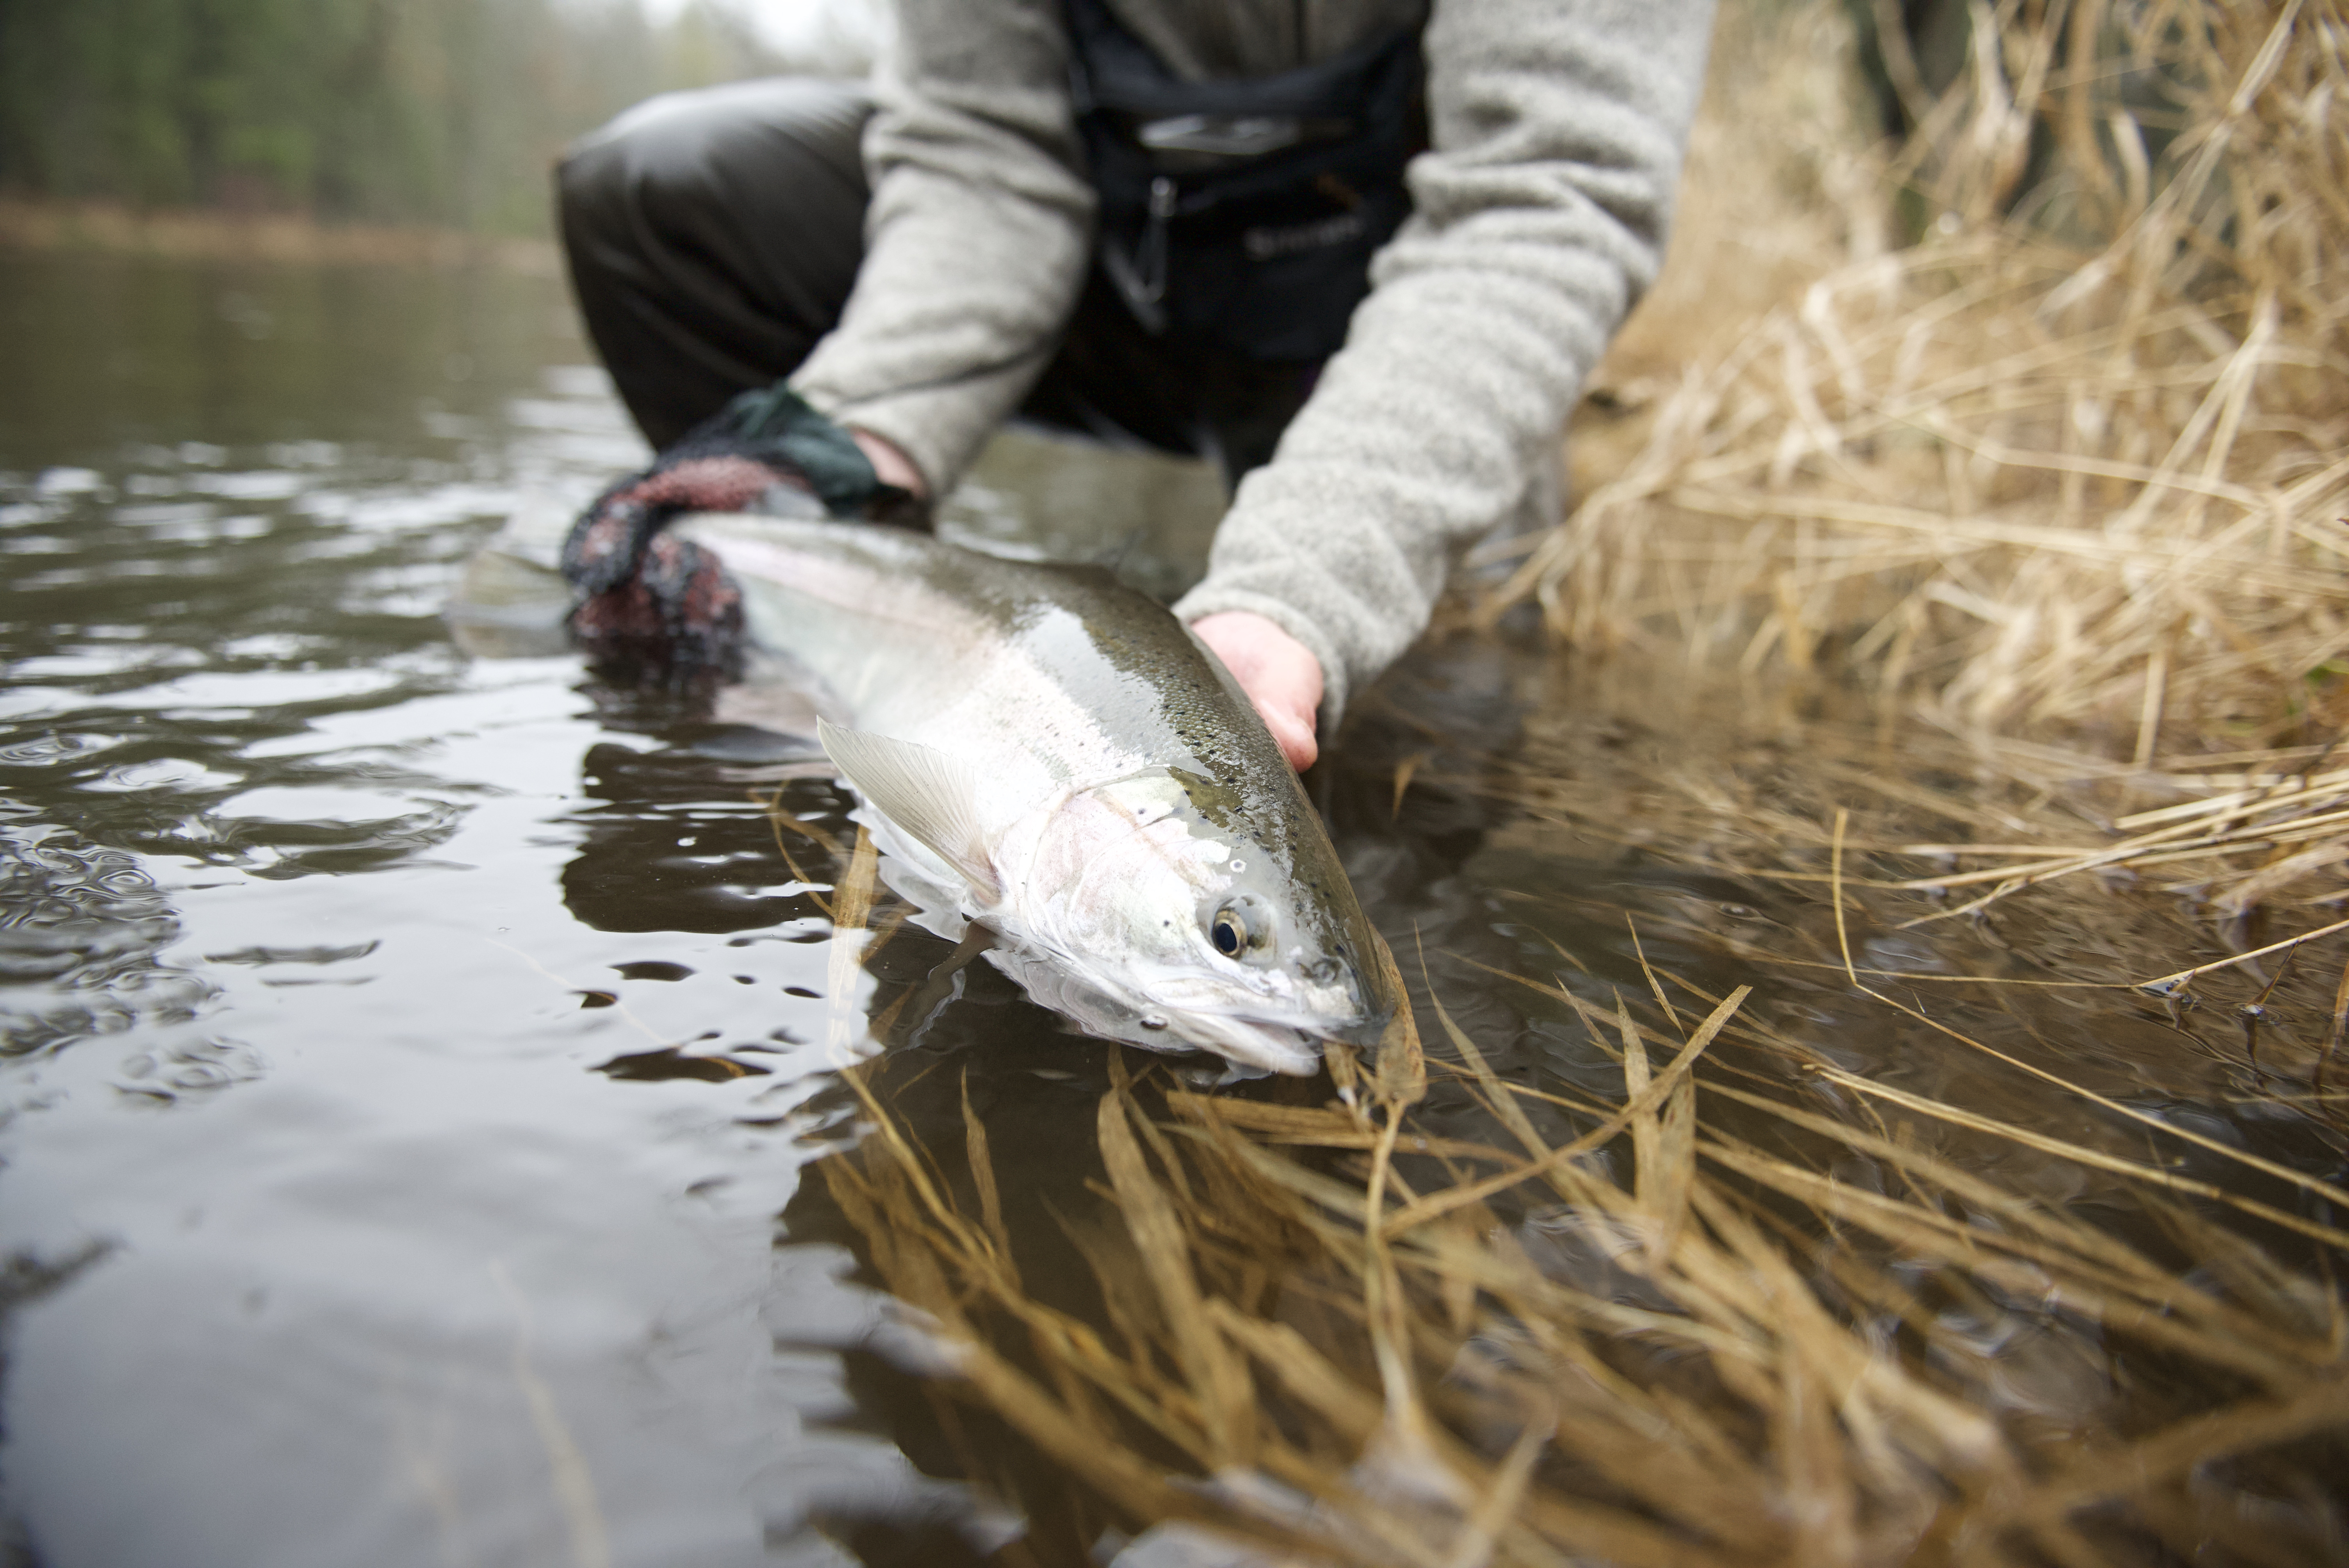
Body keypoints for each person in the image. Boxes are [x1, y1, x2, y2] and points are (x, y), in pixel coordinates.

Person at [554, 0, 1716, 770]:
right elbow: (980, 157)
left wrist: (1302, 586)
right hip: (1107, 292)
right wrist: (856, 433)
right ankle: (827, 700)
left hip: (1403, 334)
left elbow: (1542, 199)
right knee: (659, 188)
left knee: (1441, 731)